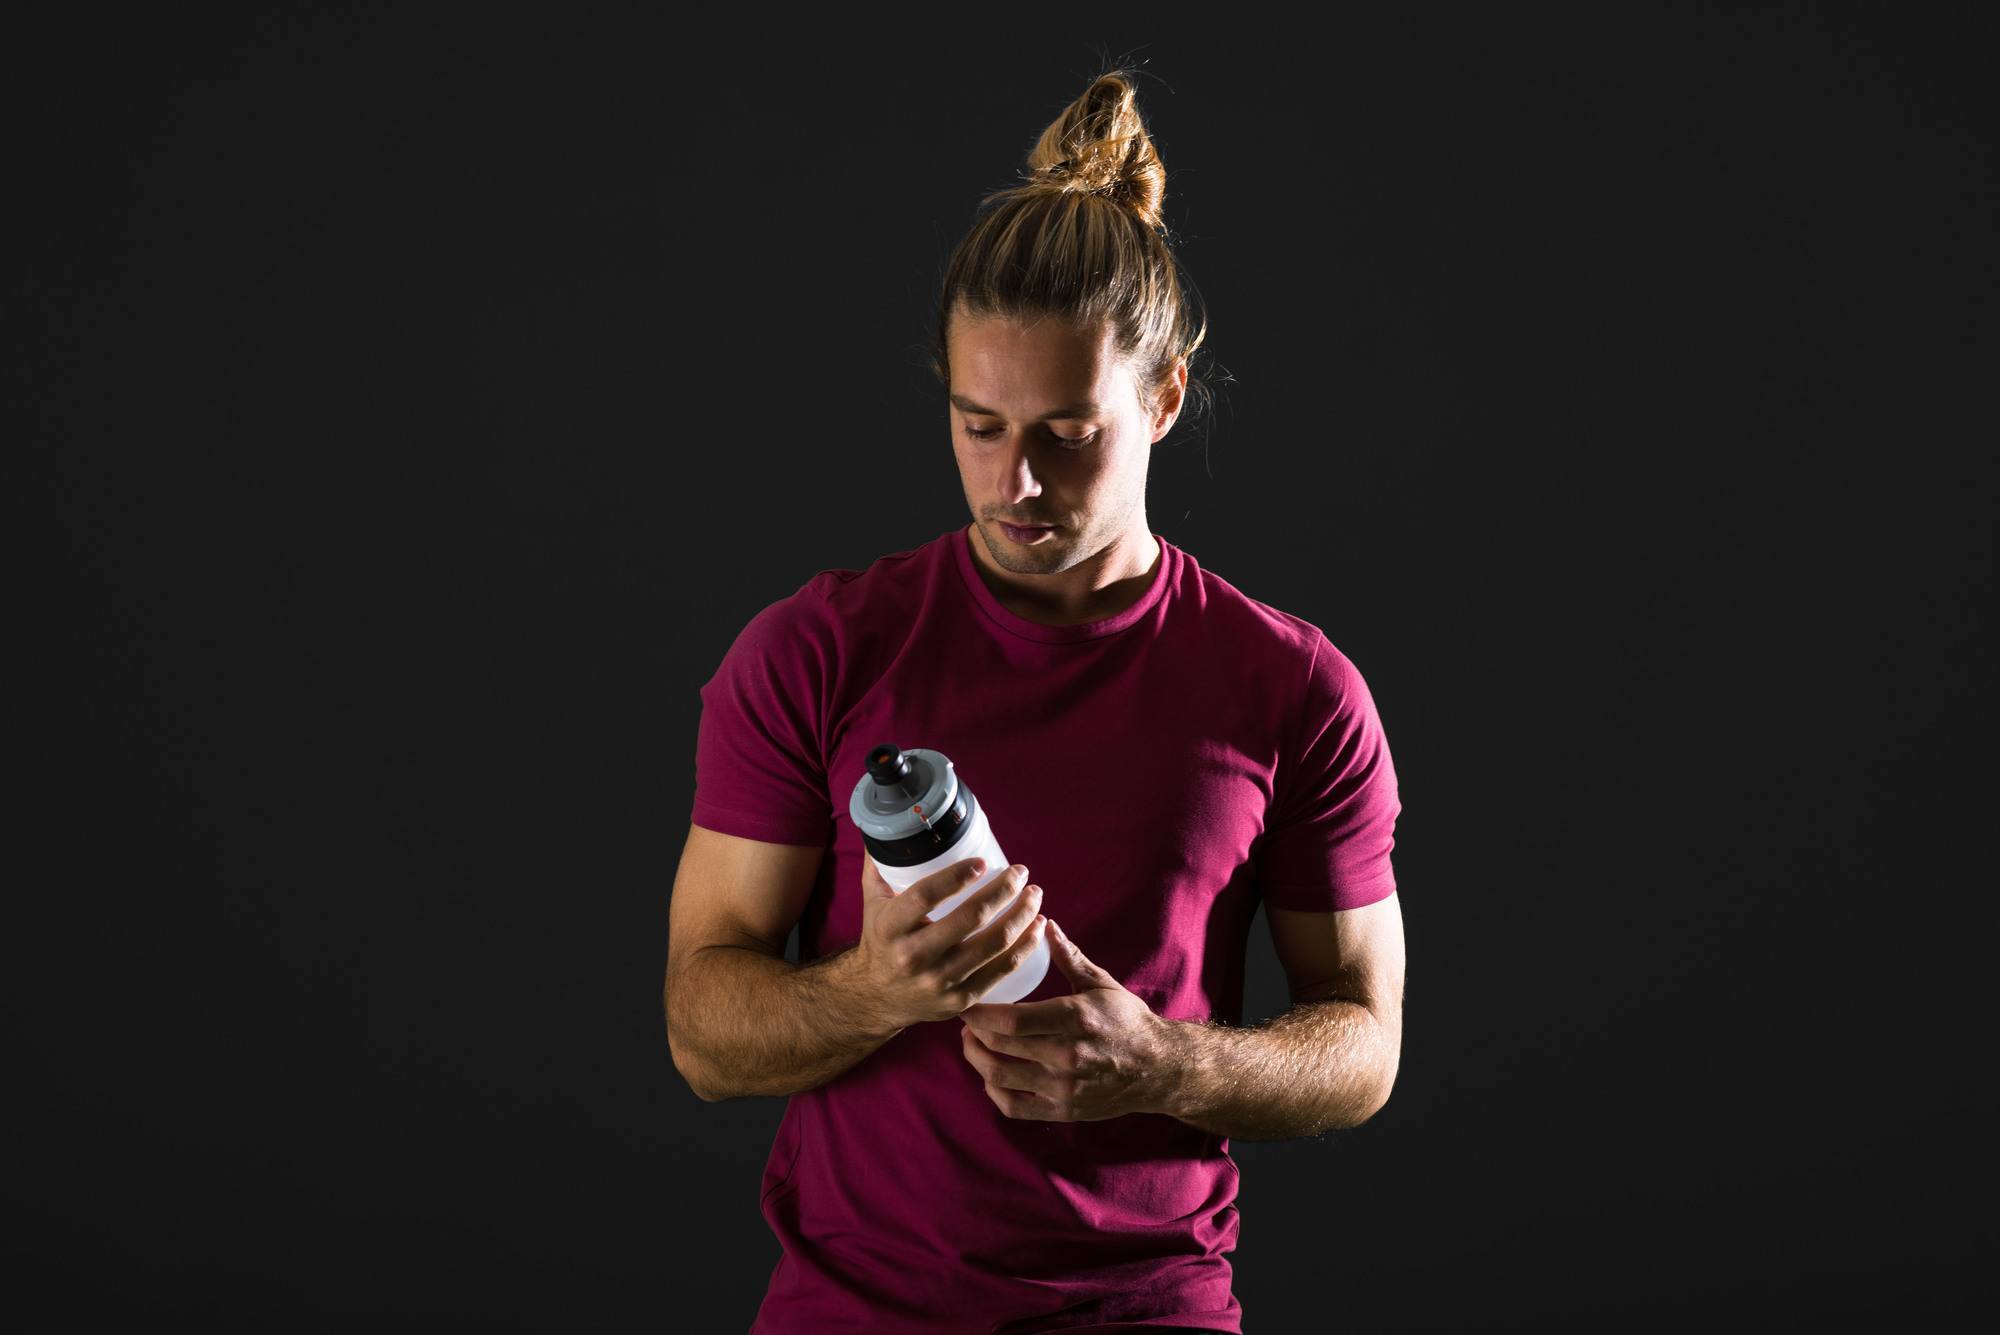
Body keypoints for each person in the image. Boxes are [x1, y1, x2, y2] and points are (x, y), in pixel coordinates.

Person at [665, 67, 1405, 1335]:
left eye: (1068, 434)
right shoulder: (815, 653)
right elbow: (700, 1030)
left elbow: (1364, 1046)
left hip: (1146, 1306)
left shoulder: (1290, 688)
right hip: (852, 1311)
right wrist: (875, 991)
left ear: (1163, 398)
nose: (1016, 481)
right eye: (977, 426)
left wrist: (1165, 1064)